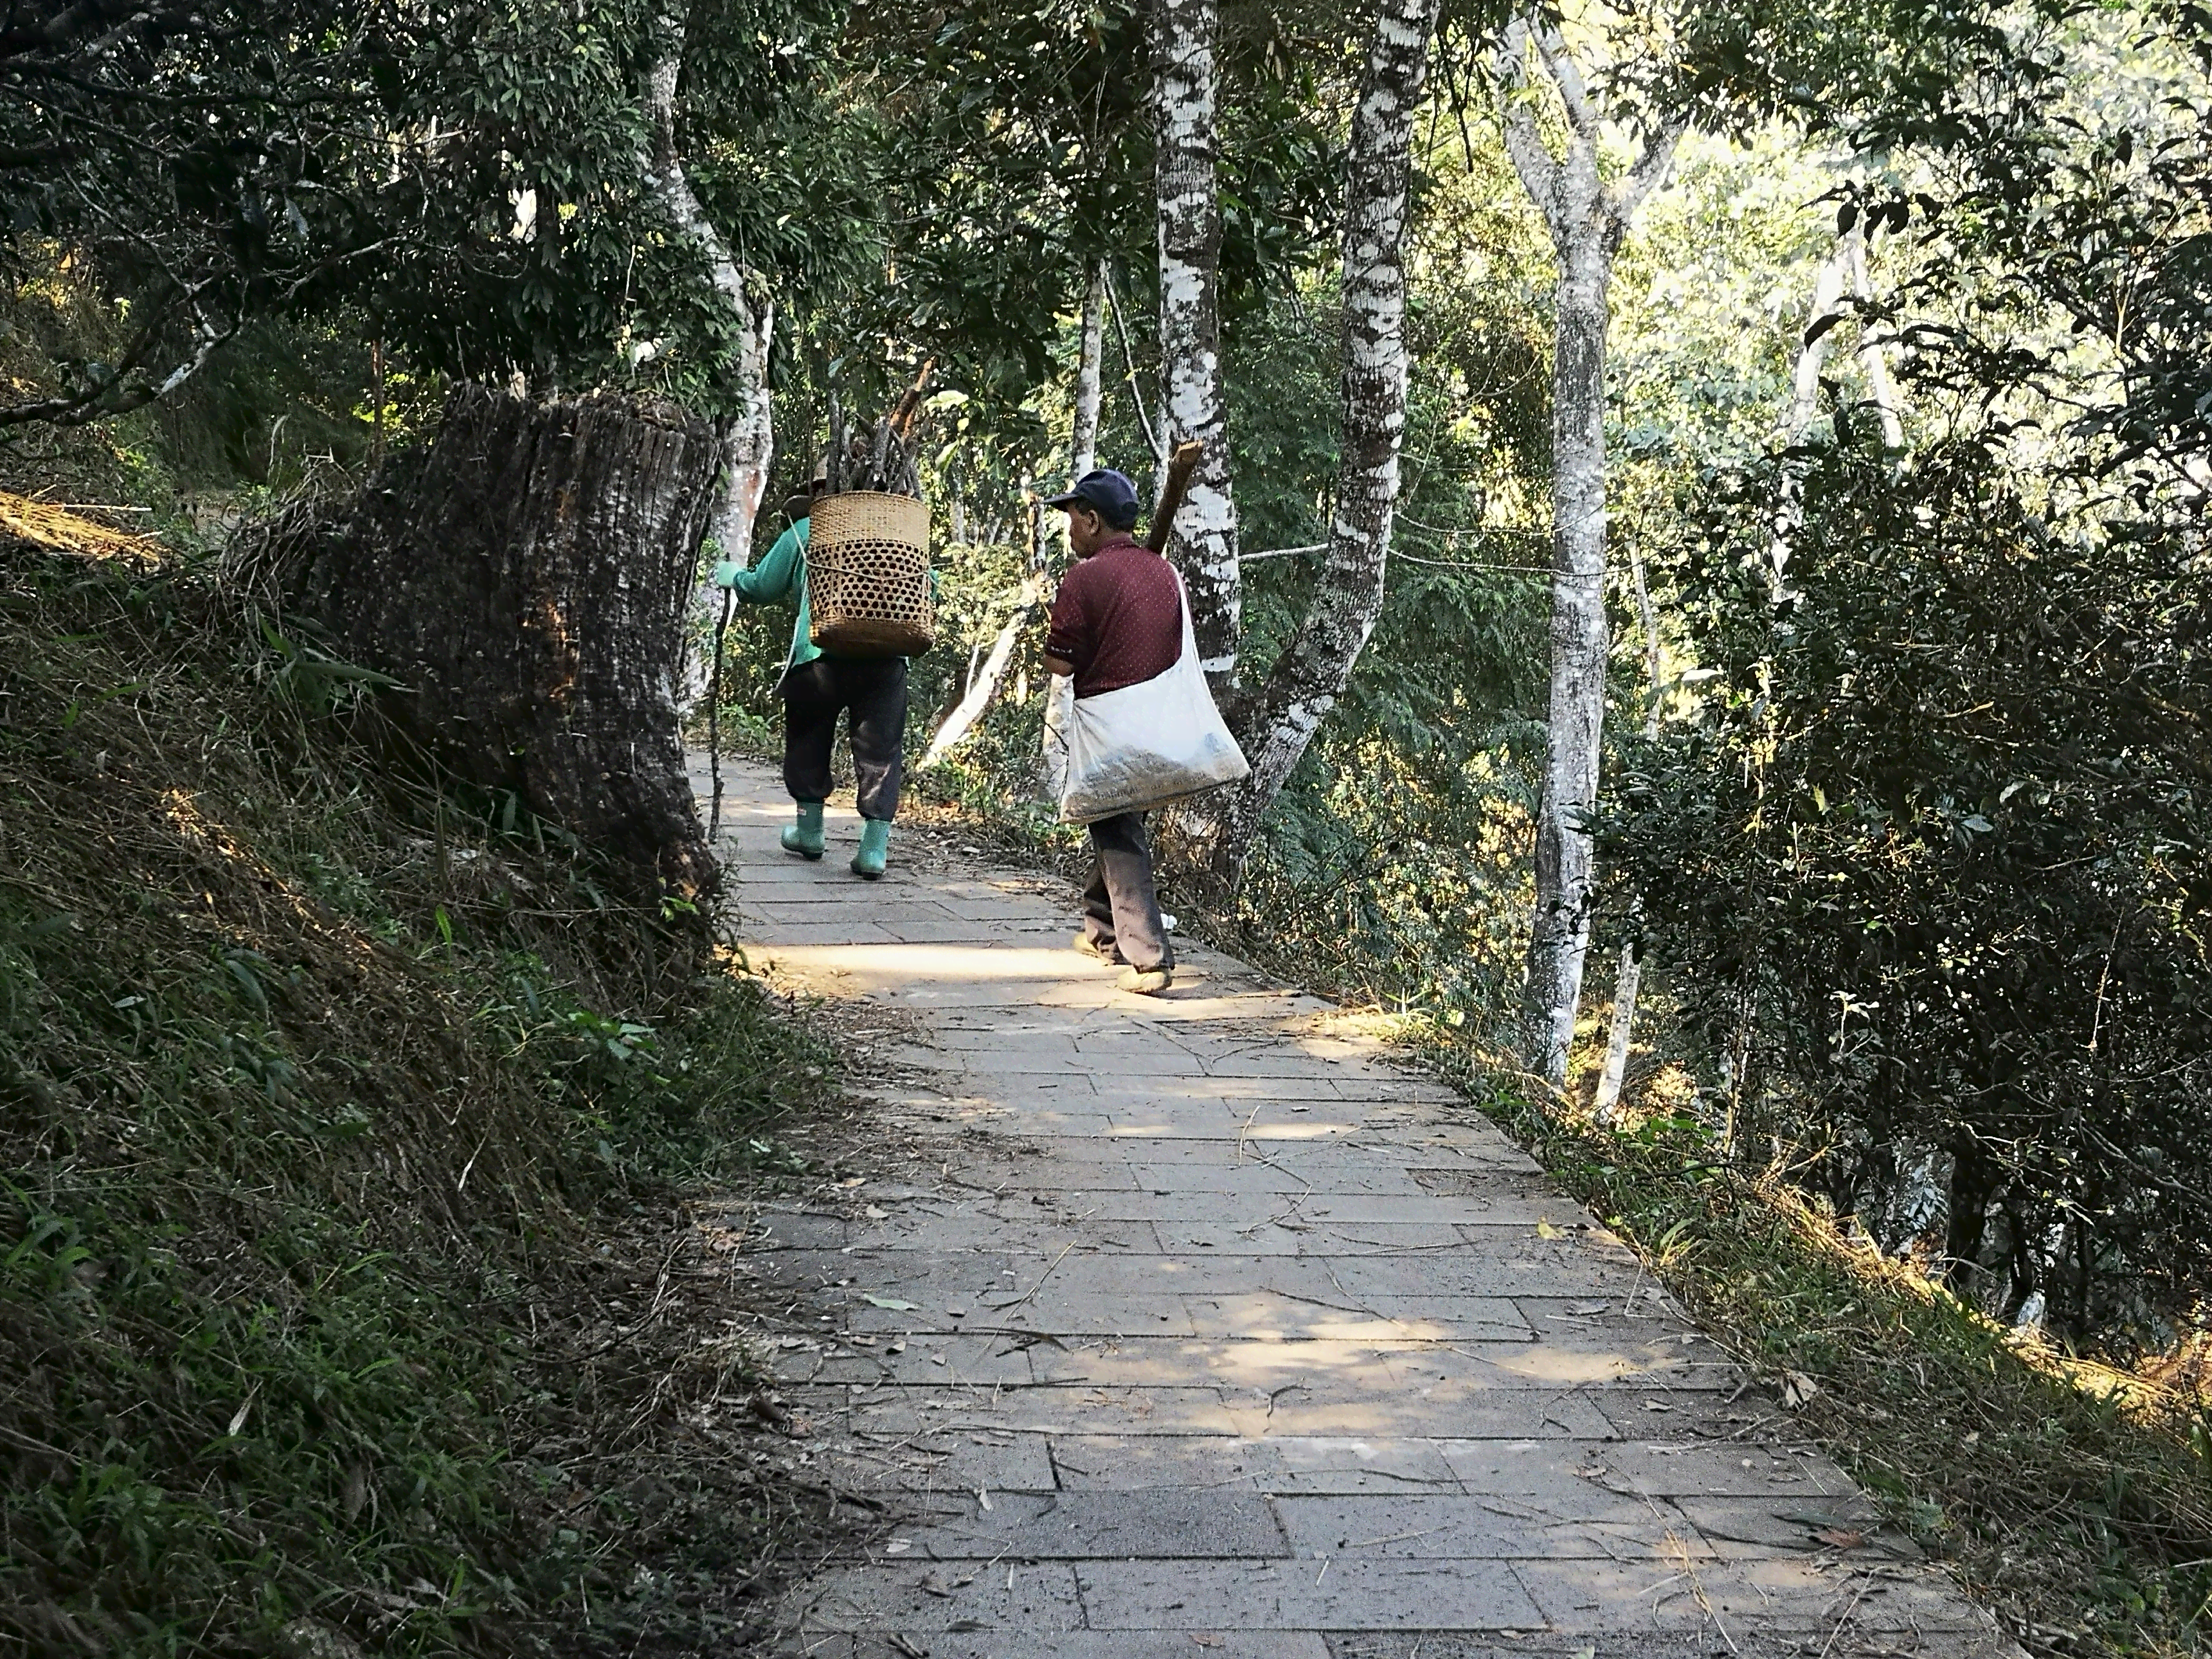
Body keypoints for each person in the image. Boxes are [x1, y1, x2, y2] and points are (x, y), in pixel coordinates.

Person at [713, 464, 906, 880]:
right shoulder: (898, 535)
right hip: (887, 658)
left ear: (820, 491)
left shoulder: (806, 528)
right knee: (882, 752)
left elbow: (763, 586)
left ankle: (810, 832)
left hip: (819, 654)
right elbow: (928, 589)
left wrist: (734, 578)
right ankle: (874, 850)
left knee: (807, 740)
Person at [1041, 467, 1182, 996]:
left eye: (1073, 519)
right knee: (1116, 820)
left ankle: (1149, 959)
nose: (1069, 531)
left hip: (1111, 721)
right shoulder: (1163, 572)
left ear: (1093, 520)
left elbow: (1060, 663)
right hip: (1161, 720)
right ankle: (1102, 931)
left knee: (1119, 831)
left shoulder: (1085, 578)